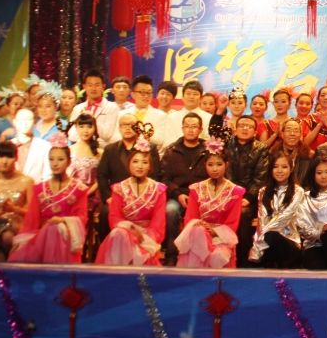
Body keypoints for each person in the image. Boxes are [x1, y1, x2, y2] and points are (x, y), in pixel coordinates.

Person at [8, 138, 88, 264]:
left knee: (55, 228)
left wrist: (62, 220)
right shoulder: (39, 188)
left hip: (66, 236)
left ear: (69, 162)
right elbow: (32, 220)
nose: (55, 164)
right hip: (42, 238)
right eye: (51, 159)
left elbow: (81, 217)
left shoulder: (79, 189)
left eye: (60, 159)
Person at [95, 138, 166, 267]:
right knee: (118, 233)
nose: (140, 166)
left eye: (144, 162)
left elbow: (158, 221)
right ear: (129, 164)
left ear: (150, 166)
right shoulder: (119, 188)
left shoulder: (159, 189)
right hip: (124, 234)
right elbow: (115, 218)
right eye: (135, 161)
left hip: (147, 236)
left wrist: (145, 237)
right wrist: (131, 230)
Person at [175, 137, 243, 268]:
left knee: (218, 255)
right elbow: (190, 217)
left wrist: (214, 231)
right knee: (198, 233)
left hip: (222, 236)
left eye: (219, 164)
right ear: (205, 165)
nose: (214, 169)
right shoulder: (196, 189)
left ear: (227, 164)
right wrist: (200, 227)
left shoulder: (235, 191)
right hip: (199, 234)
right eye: (210, 165)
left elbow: (232, 222)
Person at [160, 112, 209, 265]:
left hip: (202, 197)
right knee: (170, 210)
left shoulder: (209, 150)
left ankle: (202, 256)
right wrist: (177, 194)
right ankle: (172, 253)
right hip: (178, 196)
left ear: (200, 129)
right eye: (187, 126)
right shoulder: (171, 150)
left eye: (194, 126)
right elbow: (164, 179)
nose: (190, 130)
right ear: (182, 128)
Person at [225, 115, 270, 267]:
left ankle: (242, 260)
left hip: (250, 198)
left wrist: (248, 198)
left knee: (243, 213)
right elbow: (225, 174)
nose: (245, 128)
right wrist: (231, 196)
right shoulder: (226, 146)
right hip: (227, 194)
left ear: (255, 132)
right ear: (235, 129)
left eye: (249, 126)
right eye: (242, 125)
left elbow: (261, 178)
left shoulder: (261, 149)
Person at [250, 153, 304, 268]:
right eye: (275, 166)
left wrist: (260, 242)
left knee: (271, 236)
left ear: (291, 169)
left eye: (284, 167)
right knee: (269, 239)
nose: (279, 170)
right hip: (266, 240)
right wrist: (257, 243)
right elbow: (262, 219)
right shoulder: (263, 191)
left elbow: (285, 217)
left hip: (289, 240)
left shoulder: (298, 191)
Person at [69, 69, 120, 148]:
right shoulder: (78, 109)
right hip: (81, 149)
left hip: (102, 150)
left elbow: (107, 135)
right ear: (84, 87)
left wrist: (92, 118)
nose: (93, 88)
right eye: (90, 85)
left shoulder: (112, 108)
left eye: (97, 85)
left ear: (103, 86)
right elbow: (71, 135)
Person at [115, 75, 168, 149]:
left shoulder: (161, 116)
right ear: (133, 94)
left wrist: (136, 133)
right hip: (125, 151)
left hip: (149, 152)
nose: (146, 96)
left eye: (149, 93)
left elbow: (160, 140)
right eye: (142, 92)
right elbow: (116, 136)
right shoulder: (122, 114)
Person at [10, 109, 52, 182]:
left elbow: (48, 175)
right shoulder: (8, 145)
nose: (25, 123)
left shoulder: (44, 146)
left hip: (35, 187)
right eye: (21, 120)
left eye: (28, 120)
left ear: (34, 122)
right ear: (15, 122)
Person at [271, 118, 313, 188]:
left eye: (296, 131)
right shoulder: (273, 153)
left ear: (300, 135)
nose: (292, 134)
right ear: (282, 134)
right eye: (288, 130)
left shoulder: (309, 155)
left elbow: (312, 181)